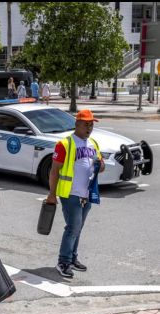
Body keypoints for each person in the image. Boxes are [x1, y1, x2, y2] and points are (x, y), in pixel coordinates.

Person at [46, 110, 105, 279]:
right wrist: (52, 194)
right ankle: (63, 262)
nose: (90, 127)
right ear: (77, 124)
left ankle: (72, 258)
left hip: (87, 193)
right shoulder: (65, 144)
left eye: (92, 124)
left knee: (78, 228)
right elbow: (54, 170)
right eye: (86, 124)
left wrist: (101, 165)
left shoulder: (93, 143)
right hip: (70, 193)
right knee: (73, 227)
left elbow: (100, 166)